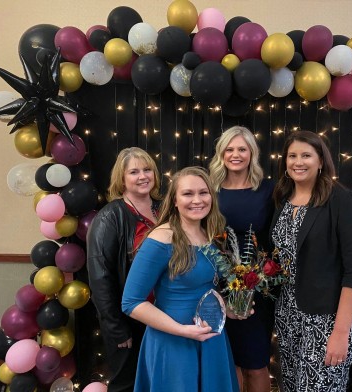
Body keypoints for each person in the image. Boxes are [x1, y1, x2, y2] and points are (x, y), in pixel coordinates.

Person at [121, 166, 239, 392]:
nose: (197, 200)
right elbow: (131, 302)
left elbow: (207, 284)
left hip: (211, 339)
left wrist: (228, 309)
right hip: (174, 344)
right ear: (175, 200)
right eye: (188, 194)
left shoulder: (209, 234)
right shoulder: (162, 238)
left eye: (203, 193)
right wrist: (182, 330)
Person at [270, 130, 352, 391]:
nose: (298, 162)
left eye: (306, 155)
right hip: (288, 316)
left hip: (326, 319)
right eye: (292, 156)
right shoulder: (283, 200)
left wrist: (341, 333)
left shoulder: (342, 200)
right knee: (291, 386)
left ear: (321, 161)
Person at [87, 147, 161, 392]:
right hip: (129, 320)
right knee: (127, 384)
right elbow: (100, 278)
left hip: (165, 317)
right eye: (134, 171)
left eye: (147, 169)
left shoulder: (167, 210)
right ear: (122, 178)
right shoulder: (110, 217)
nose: (143, 176)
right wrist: (116, 328)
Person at [209, 126, 275, 392]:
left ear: (252, 153)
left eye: (242, 149)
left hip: (256, 285)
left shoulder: (268, 189)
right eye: (230, 149)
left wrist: (261, 278)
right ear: (221, 153)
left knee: (257, 363)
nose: (235, 154)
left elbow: (274, 239)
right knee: (228, 361)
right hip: (217, 284)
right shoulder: (209, 190)